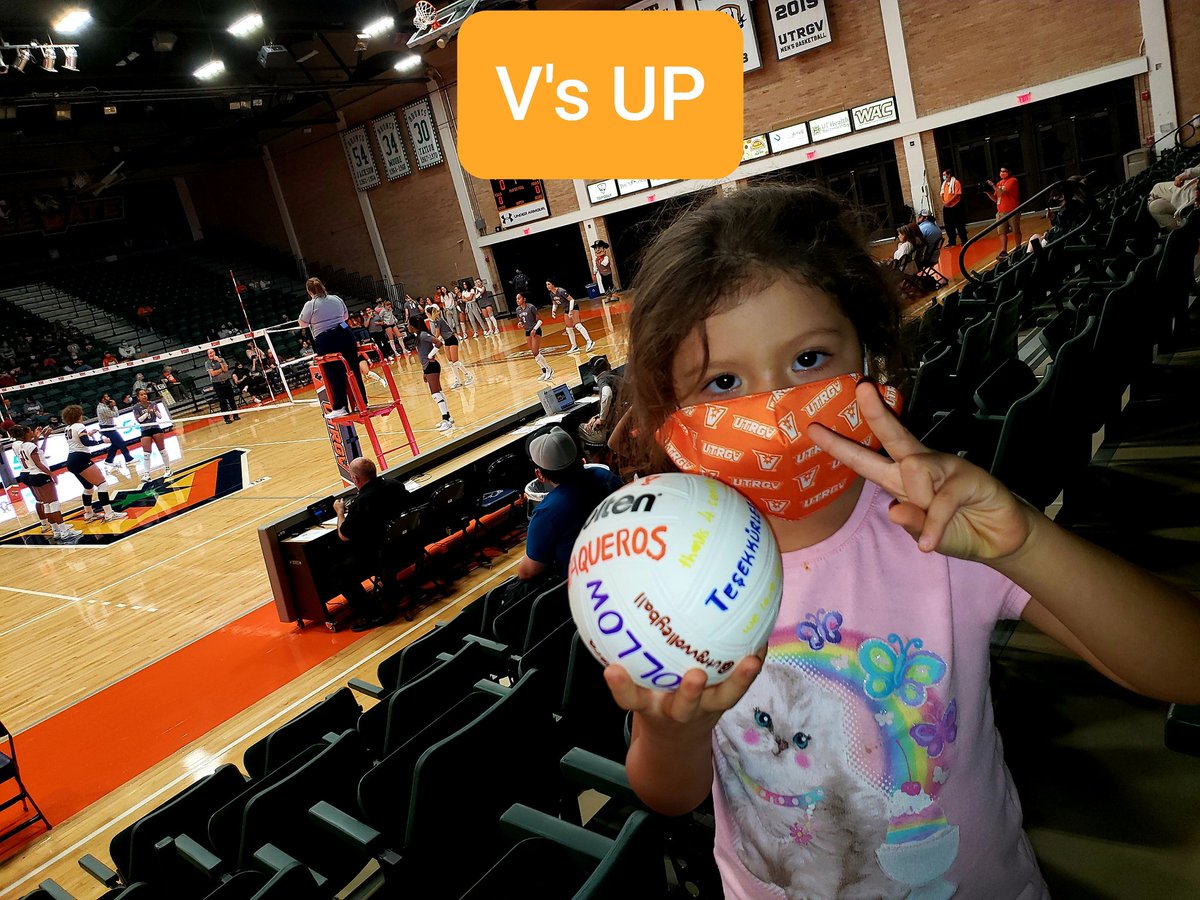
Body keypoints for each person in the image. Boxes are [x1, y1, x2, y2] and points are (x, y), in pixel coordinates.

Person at [603, 183, 1200, 899]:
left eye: (808, 361)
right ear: (671, 411)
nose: (774, 410)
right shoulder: (664, 577)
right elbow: (669, 795)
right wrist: (671, 734)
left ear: (869, 358)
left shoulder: (940, 531)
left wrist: (1026, 543)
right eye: (724, 381)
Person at [518, 425, 622, 581]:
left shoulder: (546, 513)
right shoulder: (605, 476)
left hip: (584, 586)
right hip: (622, 563)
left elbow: (527, 573)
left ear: (539, 474)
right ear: (581, 459)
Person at [333, 457, 404, 630]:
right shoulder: (394, 485)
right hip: (404, 544)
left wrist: (340, 513)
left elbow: (344, 535)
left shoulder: (363, 501)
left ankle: (373, 613)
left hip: (379, 555)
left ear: (356, 479)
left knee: (338, 573)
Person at [297, 277, 365, 420]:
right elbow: (345, 316)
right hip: (345, 334)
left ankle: (340, 407)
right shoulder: (336, 299)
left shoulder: (311, 304)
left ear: (309, 291)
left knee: (335, 374)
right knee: (353, 370)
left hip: (327, 339)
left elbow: (302, 323)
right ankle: (361, 403)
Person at [8, 423, 81, 541]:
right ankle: (63, 531)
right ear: (26, 434)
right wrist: (51, 474)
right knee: (54, 503)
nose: (33, 433)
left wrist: (42, 437)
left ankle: (56, 530)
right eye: (31, 431)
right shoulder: (28, 445)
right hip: (40, 475)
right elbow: (38, 462)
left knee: (47, 504)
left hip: (32, 474)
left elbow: (36, 452)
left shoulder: (21, 446)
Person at [61, 405, 126, 523]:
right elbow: (85, 442)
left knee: (88, 488)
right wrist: (102, 441)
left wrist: (89, 434)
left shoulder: (68, 428)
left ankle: (89, 513)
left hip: (71, 460)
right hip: (81, 458)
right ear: (78, 415)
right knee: (102, 484)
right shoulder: (80, 426)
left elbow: (77, 441)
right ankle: (109, 513)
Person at [408, 318, 455, 432]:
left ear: (413, 326)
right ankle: (448, 417)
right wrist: (424, 371)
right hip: (428, 367)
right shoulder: (419, 336)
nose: (407, 327)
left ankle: (445, 420)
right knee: (439, 392)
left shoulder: (423, 335)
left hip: (432, 365)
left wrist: (430, 355)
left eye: (409, 325)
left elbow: (439, 343)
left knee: (435, 394)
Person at [426, 305, 473, 390]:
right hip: (446, 340)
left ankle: (469, 376)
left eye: (427, 314)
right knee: (451, 362)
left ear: (430, 314)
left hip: (452, 339)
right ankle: (457, 380)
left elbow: (437, 334)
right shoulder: (436, 321)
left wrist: (430, 341)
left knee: (455, 361)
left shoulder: (438, 321)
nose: (427, 316)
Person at [547, 281, 595, 355]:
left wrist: (571, 310)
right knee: (568, 328)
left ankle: (589, 341)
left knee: (577, 325)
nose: (547, 286)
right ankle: (574, 346)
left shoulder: (561, 291)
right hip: (566, 309)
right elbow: (555, 303)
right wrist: (553, 311)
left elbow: (572, 300)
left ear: (553, 284)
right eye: (546, 285)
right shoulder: (551, 294)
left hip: (573, 307)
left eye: (549, 284)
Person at [133, 388, 171, 481]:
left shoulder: (153, 403)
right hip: (145, 430)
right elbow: (139, 420)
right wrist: (147, 412)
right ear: (138, 397)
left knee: (162, 450)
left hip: (155, 428)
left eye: (145, 394)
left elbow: (160, 416)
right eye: (141, 395)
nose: (144, 396)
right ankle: (147, 474)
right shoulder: (136, 407)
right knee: (146, 453)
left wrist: (155, 411)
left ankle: (168, 469)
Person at [1147, 165, 1200, 229]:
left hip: (1195, 191)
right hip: (1193, 183)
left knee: (1156, 189)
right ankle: (1179, 228)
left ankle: (1182, 230)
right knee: (1155, 206)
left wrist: (1186, 174)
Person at [515, 293, 553, 382]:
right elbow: (521, 320)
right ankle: (544, 371)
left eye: (519, 298)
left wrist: (535, 329)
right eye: (516, 299)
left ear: (524, 299)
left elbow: (540, 320)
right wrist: (520, 324)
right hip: (527, 331)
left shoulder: (531, 307)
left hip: (535, 330)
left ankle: (548, 369)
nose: (517, 300)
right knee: (534, 353)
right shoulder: (518, 310)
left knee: (535, 351)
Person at [986, 165, 1021, 257]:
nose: (1002, 173)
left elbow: (1002, 192)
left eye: (1004, 171)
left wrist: (992, 185)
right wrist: (987, 192)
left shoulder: (1013, 181)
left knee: (1015, 230)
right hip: (1001, 211)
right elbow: (995, 198)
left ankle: (1018, 247)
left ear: (1009, 172)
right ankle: (1004, 251)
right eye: (1001, 171)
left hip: (1012, 210)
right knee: (1001, 231)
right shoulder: (999, 183)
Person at [97, 393, 135, 476]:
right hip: (107, 429)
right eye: (106, 397)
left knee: (115, 445)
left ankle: (109, 460)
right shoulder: (102, 408)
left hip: (109, 427)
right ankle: (128, 459)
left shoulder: (102, 406)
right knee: (121, 443)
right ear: (103, 399)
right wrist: (114, 406)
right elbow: (116, 414)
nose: (109, 397)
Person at [206, 349, 240, 424]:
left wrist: (219, 361)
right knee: (222, 402)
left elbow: (226, 369)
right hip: (217, 384)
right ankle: (226, 418)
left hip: (226, 382)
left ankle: (235, 415)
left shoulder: (221, 359)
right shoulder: (207, 363)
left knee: (231, 399)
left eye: (211, 352)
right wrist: (221, 370)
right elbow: (212, 374)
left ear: (215, 353)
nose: (210, 354)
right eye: (208, 353)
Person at [940, 169, 967, 246]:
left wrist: (949, 201)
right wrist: (943, 202)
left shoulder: (956, 182)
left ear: (949, 175)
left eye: (945, 175)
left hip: (955, 206)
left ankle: (964, 240)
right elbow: (941, 194)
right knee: (948, 225)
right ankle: (952, 241)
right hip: (946, 207)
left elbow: (957, 194)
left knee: (959, 223)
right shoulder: (944, 184)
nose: (943, 176)